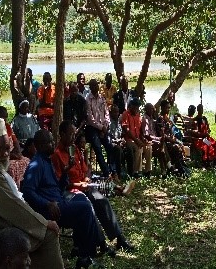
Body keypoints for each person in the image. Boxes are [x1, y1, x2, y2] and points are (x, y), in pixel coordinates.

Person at [0, 119, 64, 269]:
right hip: (0, 231)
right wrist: (44, 223)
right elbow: (16, 210)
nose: (5, 154)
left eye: (7, 148)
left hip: (0, 222)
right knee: (49, 234)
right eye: (1, 149)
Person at [20, 128, 104, 268]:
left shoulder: (47, 161)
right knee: (84, 209)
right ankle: (87, 256)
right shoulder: (36, 164)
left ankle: (80, 248)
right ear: (40, 146)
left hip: (59, 200)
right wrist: (47, 204)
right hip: (51, 210)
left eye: (53, 141)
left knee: (83, 200)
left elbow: (57, 187)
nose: (53, 144)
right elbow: (27, 192)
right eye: (50, 142)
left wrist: (65, 172)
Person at [52, 122, 135, 252]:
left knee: (102, 200)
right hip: (69, 191)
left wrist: (86, 179)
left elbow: (84, 170)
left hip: (84, 185)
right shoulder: (56, 154)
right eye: (71, 134)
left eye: (75, 134)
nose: (74, 137)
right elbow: (60, 183)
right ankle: (101, 243)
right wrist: (79, 185)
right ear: (62, 134)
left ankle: (119, 238)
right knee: (87, 206)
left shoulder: (74, 149)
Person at [0, 106, 30, 189]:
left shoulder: (7, 127)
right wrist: (11, 155)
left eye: (5, 117)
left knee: (27, 161)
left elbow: (15, 141)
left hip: (12, 153)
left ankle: (25, 187)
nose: (4, 119)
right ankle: (14, 189)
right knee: (12, 167)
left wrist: (18, 152)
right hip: (2, 157)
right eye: (2, 117)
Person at [85, 79, 110, 177]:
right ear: (90, 88)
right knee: (98, 148)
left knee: (111, 146)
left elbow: (106, 114)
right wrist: (101, 128)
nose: (95, 87)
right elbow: (90, 119)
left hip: (103, 127)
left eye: (96, 85)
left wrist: (105, 126)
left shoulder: (102, 98)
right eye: (93, 86)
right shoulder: (88, 100)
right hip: (92, 128)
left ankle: (114, 171)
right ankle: (106, 173)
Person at [142, 103, 167, 177]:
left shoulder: (152, 119)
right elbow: (146, 135)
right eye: (150, 109)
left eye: (153, 109)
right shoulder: (145, 119)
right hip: (148, 141)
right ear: (146, 109)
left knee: (162, 146)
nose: (152, 110)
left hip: (155, 141)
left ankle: (165, 169)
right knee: (161, 146)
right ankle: (166, 168)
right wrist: (158, 138)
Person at [121, 98, 144, 177]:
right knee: (135, 147)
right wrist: (136, 140)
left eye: (138, 107)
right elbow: (126, 130)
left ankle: (140, 170)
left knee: (145, 146)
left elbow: (140, 130)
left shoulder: (138, 115)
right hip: (129, 139)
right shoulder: (125, 114)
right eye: (135, 107)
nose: (137, 109)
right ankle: (134, 171)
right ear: (131, 106)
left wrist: (142, 138)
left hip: (137, 139)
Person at [106, 104, 125, 180]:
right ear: (110, 113)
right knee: (118, 149)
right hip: (111, 143)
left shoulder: (119, 122)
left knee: (129, 148)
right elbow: (108, 137)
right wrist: (117, 141)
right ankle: (117, 172)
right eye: (114, 112)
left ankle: (130, 172)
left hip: (119, 142)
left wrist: (122, 140)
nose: (116, 114)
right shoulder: (108, 122)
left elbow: (121, 134)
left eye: (117, 112)